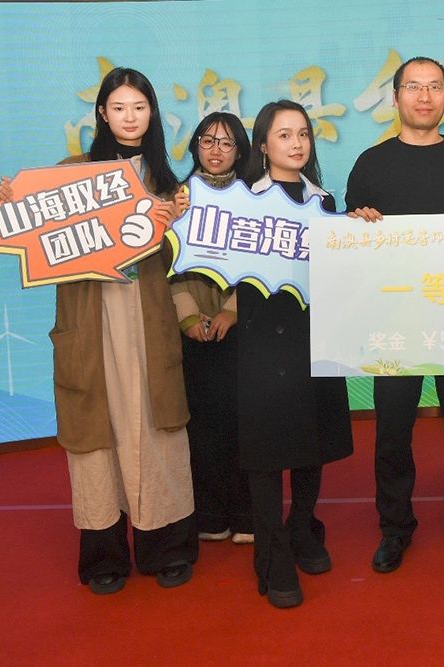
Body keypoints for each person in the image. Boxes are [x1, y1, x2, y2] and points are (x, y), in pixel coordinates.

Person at [0, 67, 196, 594]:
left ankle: (166, 547)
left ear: (153, 114)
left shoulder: (170, 184)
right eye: (119, 107)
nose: (130, 117)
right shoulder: (69, 176)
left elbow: (186, 263)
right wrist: (1, 204)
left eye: (139, 107)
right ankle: (104, 556)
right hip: (89, 323)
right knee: (96, 444)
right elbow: (16, 231)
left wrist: (174, 225)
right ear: (102, 113)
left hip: (147, 325)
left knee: (156, 433)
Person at [347, 57, 444, 574]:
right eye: (414, 87)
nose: (425, 96)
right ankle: (394, 529)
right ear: (396, 98)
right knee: (392, 432)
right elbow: (351, 247)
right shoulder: (370, 164)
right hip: (393, 323)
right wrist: (357, 222)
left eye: (435, 87)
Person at [238, 100, 353, 607]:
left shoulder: (324, 201)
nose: (297, 143)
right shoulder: (240, 202)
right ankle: (272, 550)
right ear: (263, 145)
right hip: (263, 341)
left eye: (303, 133)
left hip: (316, 335)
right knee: (267, 450)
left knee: (313, 440)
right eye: (284, 135)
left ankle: (303, 526)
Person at [171, 112, 253, 545]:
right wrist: (188, 317)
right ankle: (211, 513)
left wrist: (232, 311)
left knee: (243, 424)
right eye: (207, 141)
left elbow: (260, 263)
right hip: (193, 329)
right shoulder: (177, 198)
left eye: (226, 142)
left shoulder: (255, 198)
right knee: (200, 427)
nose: (216, 150)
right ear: (195, 147)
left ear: (240, 150)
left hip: (241, 329)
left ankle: (247, 515)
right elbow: (167, 266)